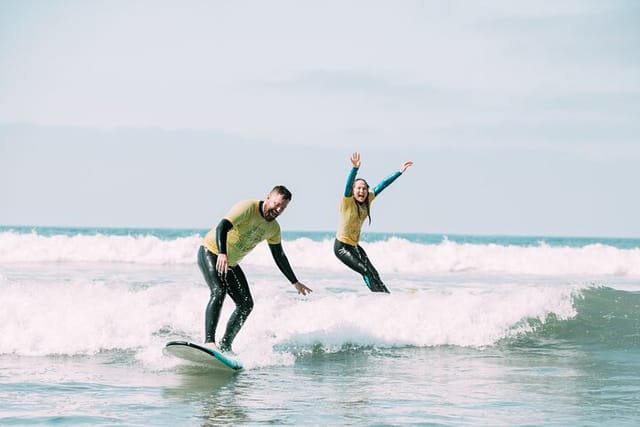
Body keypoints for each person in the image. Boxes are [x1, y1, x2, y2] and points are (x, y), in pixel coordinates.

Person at [197, 185, 312, 353]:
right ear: (268, 198)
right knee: (218, 291)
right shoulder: (247, 208)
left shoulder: (273, 229)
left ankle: (225, 345)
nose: (278, 209)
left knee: (246, 304)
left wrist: (295, 282)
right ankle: (209, 342)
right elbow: (222, 226)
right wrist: (222, 252)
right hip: (212, 251)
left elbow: (279, 255)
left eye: (283, 207)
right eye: (276, 204)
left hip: (231, 263)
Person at [334, 152, 413, 293]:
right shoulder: (348, 201)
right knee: (365, 271)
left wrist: (399, 172)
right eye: (358, 188)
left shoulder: (368, 199)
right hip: (342, 248)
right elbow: (347, 186)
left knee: (373, 272)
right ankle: (380, 298)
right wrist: (355, 169)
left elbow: (383, 185)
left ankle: (387, 296)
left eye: (364, 188)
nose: (361, 191)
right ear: (353, 190)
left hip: (354, 247)